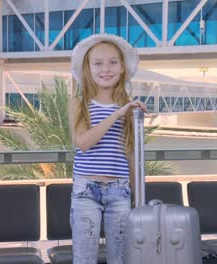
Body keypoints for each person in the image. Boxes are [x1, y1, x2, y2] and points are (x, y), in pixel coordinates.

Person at [68, 34, 147, 264]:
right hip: (86, 192)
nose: (106, 68)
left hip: (120, 191)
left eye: (113, 62)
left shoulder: (130, 109)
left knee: (121, 258)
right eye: (98, 63)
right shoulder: (79, 104)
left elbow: (132, 153)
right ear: (88, 69)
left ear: (122, 68)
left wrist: (138, 197)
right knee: (84, 259)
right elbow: (83, 142)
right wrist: (118, 113)